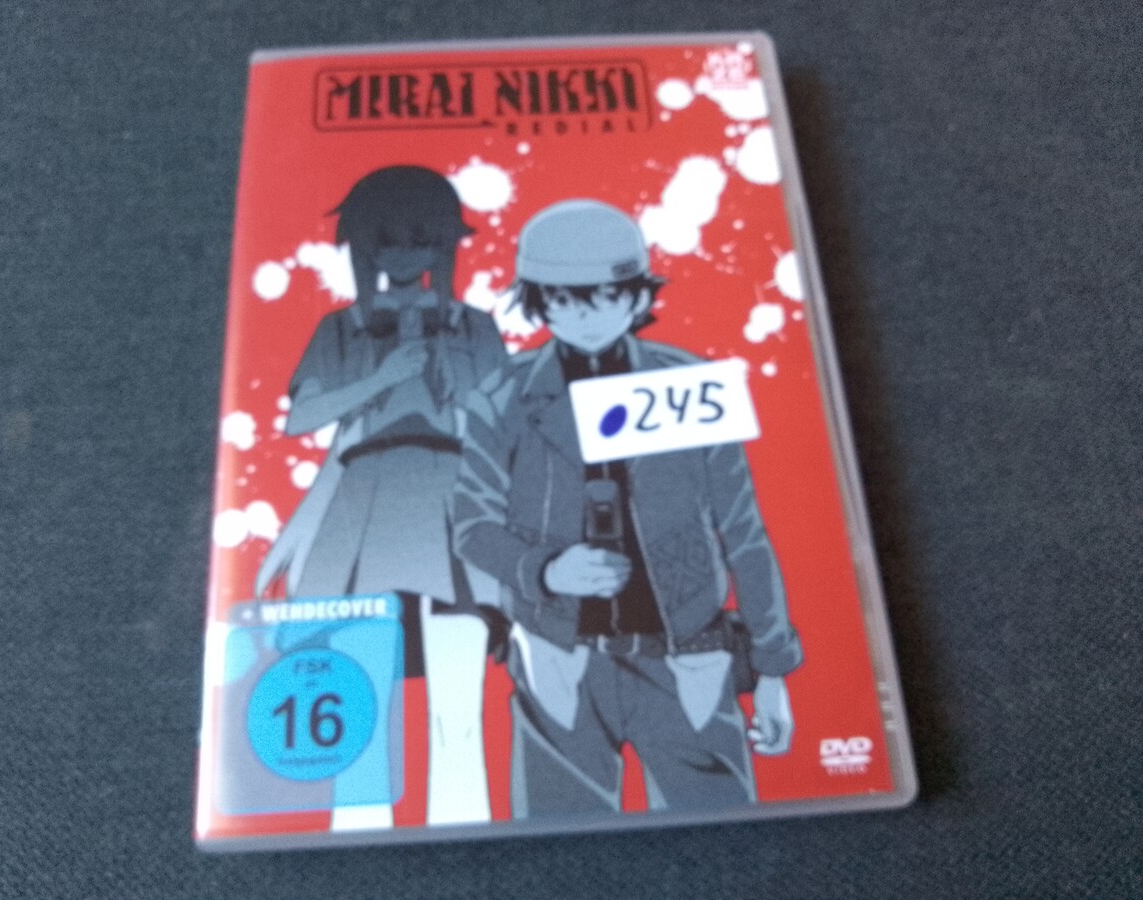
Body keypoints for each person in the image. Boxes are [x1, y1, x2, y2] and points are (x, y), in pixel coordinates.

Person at [454, 199, 802, 817]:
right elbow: (472, 524)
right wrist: (546, 569)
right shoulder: (500, 396)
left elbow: (743, 530)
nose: (586, 314)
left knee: (723, 832)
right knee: (557, 839)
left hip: (687, 656)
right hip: (559, 656)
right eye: (563, 299)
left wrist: (773, 670)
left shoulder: (691, 383)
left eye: (606, 295)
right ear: (538, 301)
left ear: (638, 297)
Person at [255, 165, 506, 829]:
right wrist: (381, 380)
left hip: (455, 502)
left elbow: (508, 425)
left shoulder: (474, 327)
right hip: (362, 502)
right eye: (386, 241)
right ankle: (357, 833)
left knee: (458, 705)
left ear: (443, 244)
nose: (402, 255)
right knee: (361, 699)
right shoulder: (341, 329)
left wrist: (464, 395)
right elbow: (302, 421)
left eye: (420, 239)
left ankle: (467, 829)